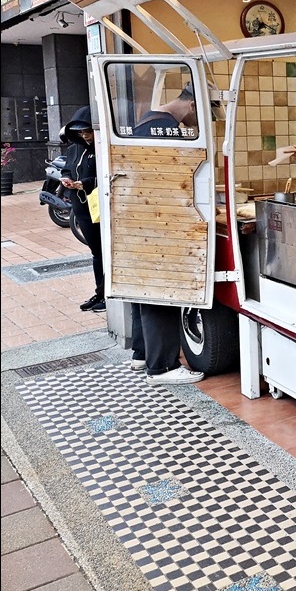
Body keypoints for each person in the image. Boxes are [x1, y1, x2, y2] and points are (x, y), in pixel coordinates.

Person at [126, 85, 205, 385]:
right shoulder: (165, 128)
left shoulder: (146, 119)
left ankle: (141, 354)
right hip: (158, 219)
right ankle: (162, 367)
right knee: (162, 292)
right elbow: (174, 177)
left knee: (143, 291)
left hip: (138, 216)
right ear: (192, 105)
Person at [59, 108, 106, 312]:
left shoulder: (103, 150)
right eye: (81, 133)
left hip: (101, 207)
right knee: (96, 252)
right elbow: (67, 168)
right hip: (82, 209)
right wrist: (67, 179)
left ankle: (106, 293)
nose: (85, 136)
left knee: (106, 252)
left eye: (88, 131)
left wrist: (84, 184)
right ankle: (100, 292)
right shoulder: (75, 149)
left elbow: (107, 176)